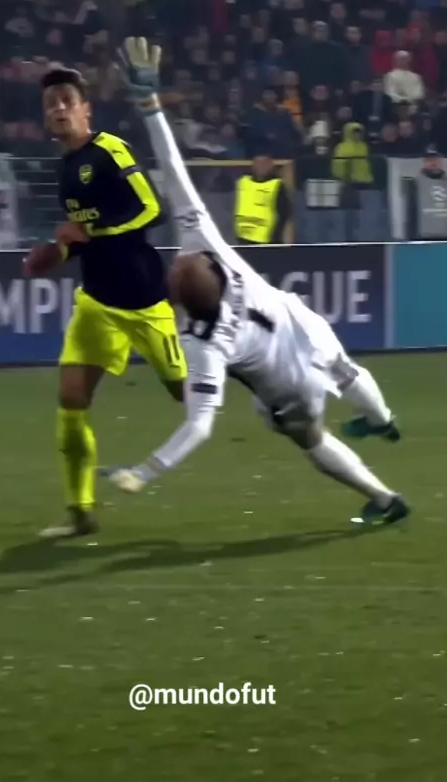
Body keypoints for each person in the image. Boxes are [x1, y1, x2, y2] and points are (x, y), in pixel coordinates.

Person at [105, 38, 409, 528]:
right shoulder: (208, 245)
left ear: (182, 302)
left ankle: (384, 497)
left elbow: (200, 425)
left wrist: (146, 471)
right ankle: (382, 420)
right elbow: (174, 169)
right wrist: (150, 104)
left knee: (310, 438)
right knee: (347, 370)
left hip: (288, 384)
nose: (176, 263)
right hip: (304, 328)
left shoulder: (203, 342)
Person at [23, 66, 187, 539]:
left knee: (189, 393)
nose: (59, 108)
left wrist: (89, 232)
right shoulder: (64, 170)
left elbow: (151, 208)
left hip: (143, 298)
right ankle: (80, 511)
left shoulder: (110, 149)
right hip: (96, 302)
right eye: (51, 103)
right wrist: (57, 253)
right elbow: (83, 238)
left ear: (85, 110)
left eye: (67, 100)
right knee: (71, 398)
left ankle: (266, 379)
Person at [233, 152, 293, 245]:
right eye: (258, 163)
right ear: (253, 165)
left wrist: (277, 236)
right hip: (243, 236)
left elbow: (284, 213)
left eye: (264, 164)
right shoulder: (242, 182)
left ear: (271, 165)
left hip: (267, 239)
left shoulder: (276, 185)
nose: (261, 167)